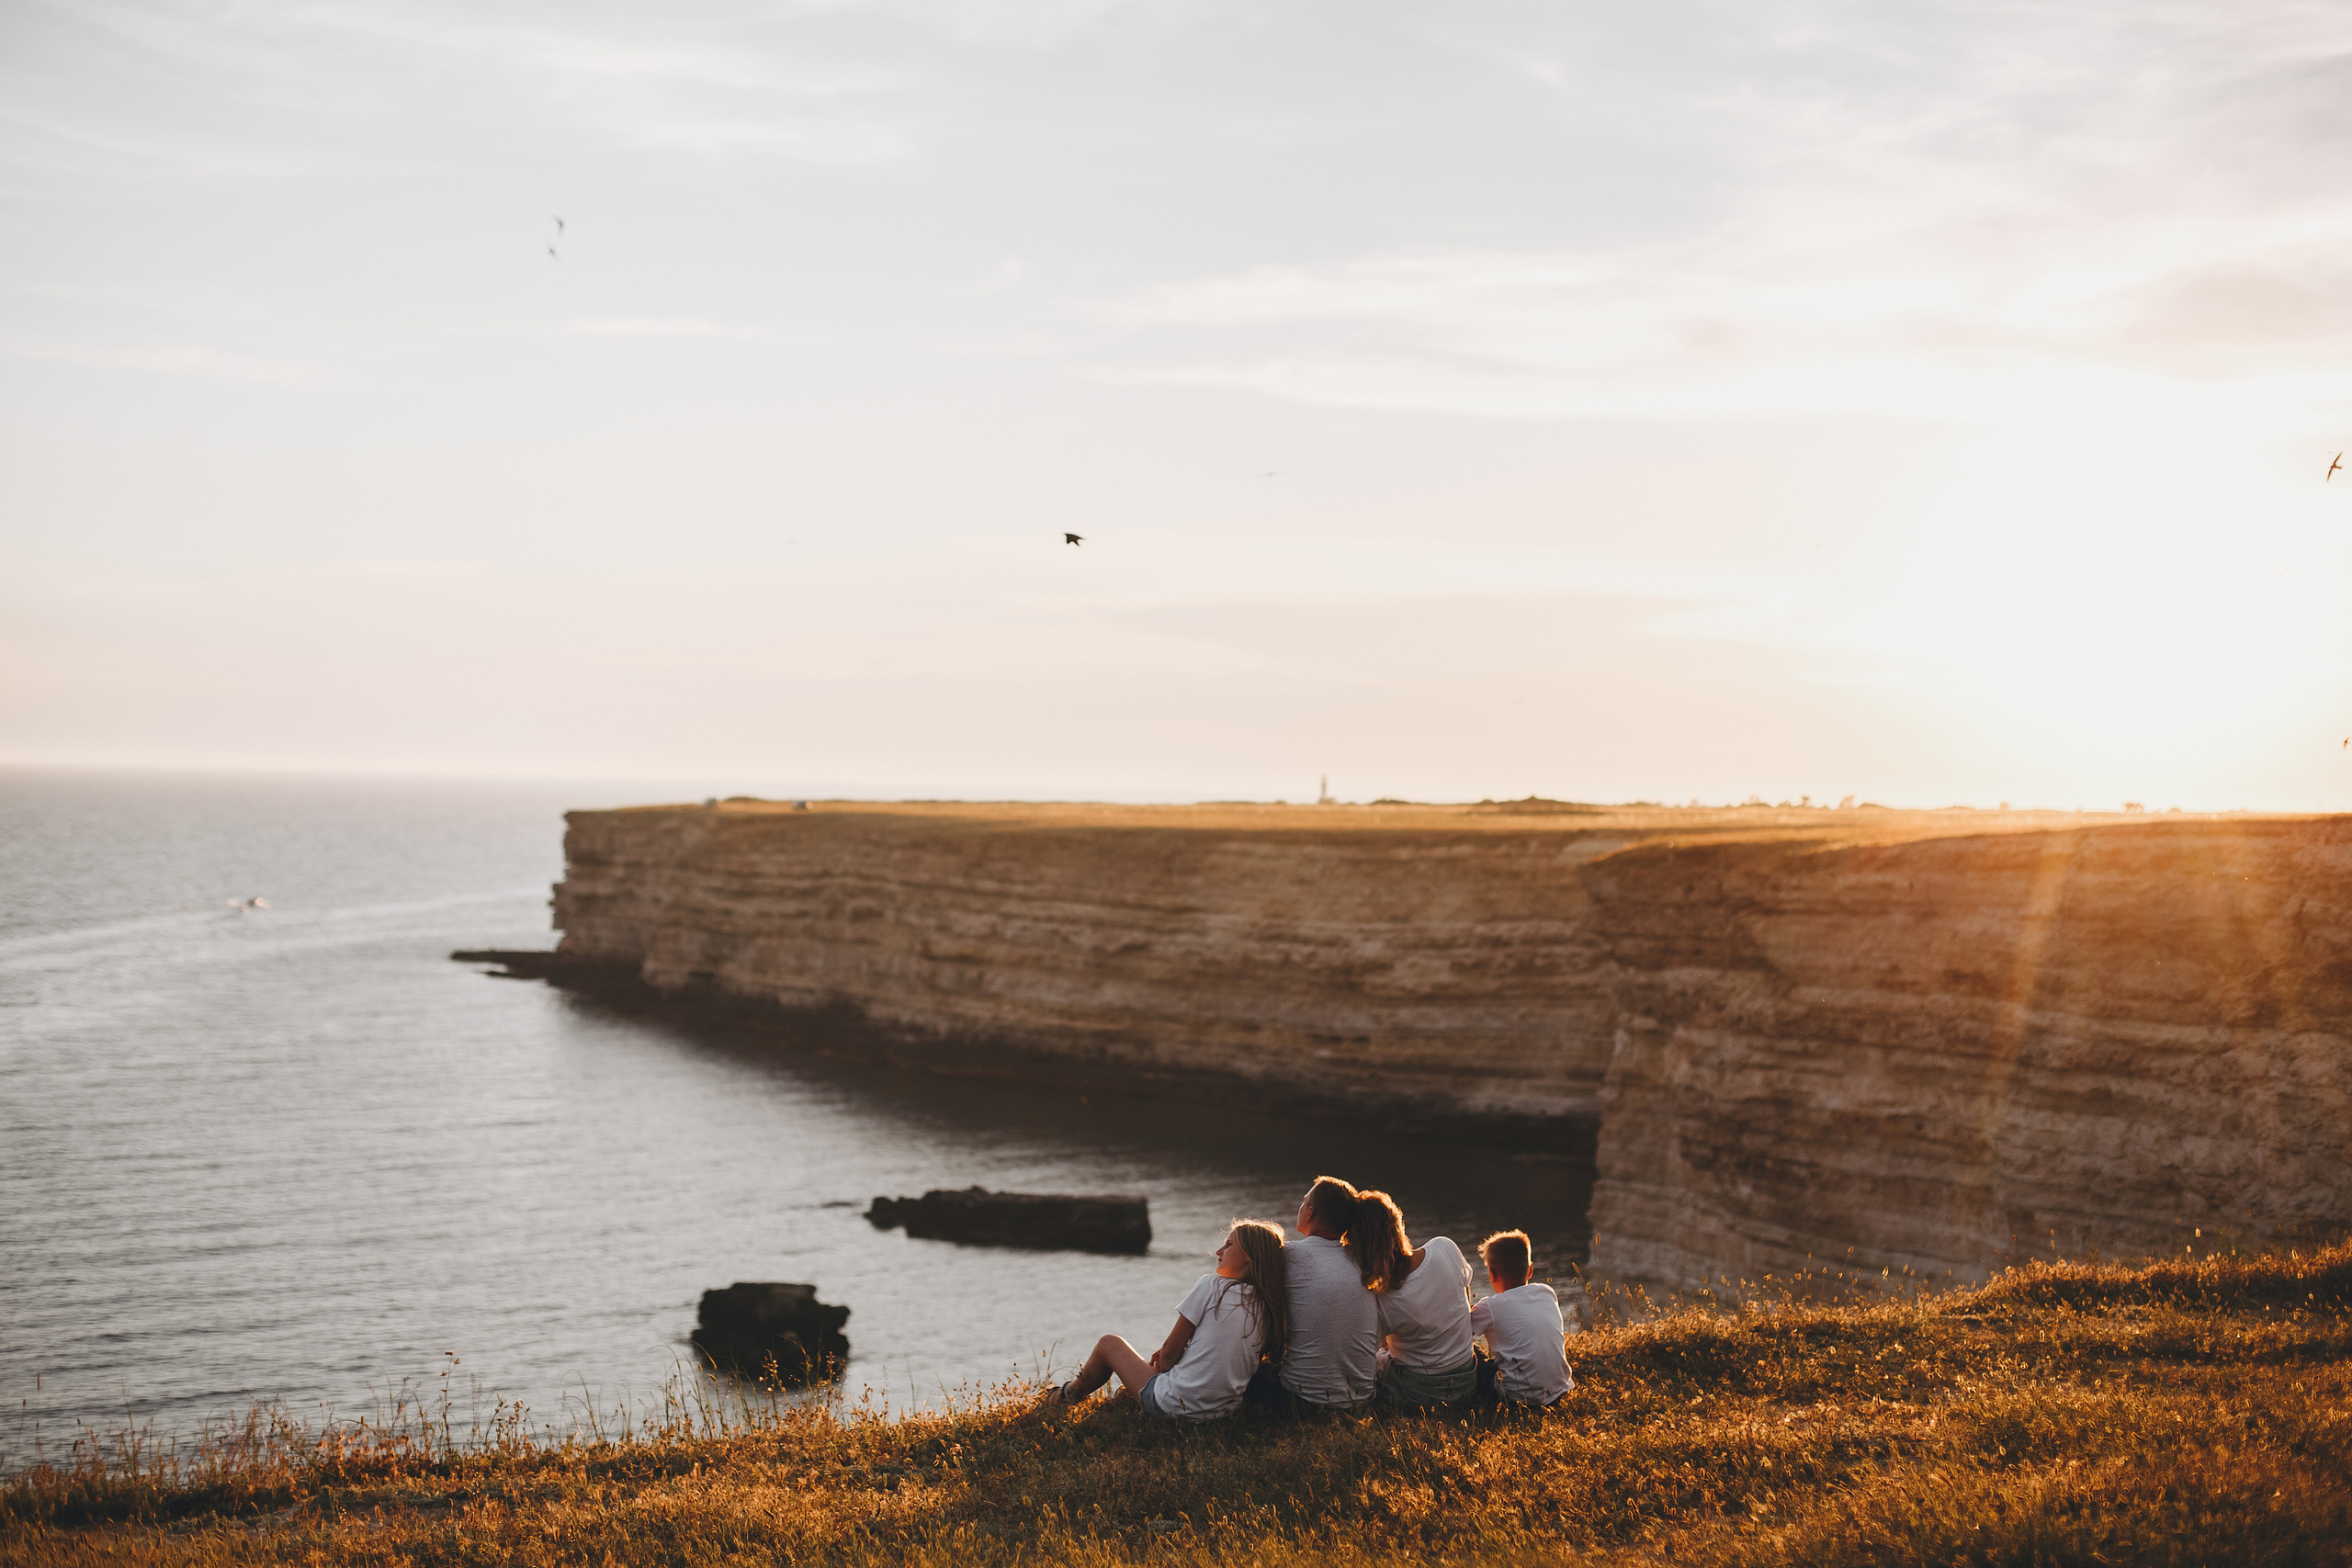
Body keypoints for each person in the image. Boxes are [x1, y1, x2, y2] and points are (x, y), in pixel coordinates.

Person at [1045, 1220, 1287, 1421]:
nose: (1218, 1252)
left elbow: (1170, 1354)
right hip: (1223, 1414)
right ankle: (1127, 1392)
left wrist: (1161, 1373)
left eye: (1228, 1244)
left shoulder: (1211, 1286)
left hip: (1173, 1407)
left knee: (1109, 1343)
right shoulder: (1269, 1306)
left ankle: (1065, 1396)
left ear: (1249, 1257)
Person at [1352, 1190, 1477, 1407]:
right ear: (1397, 1224)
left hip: (1418, 1393)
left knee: (1372, 1363)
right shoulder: (1444, 1247)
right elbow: (1465, 1292)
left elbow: (1369, 1350)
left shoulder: (1382, 1296)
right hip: (1468, 1378)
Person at [1275, 1175, 1382, 1410]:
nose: (1300, 1207)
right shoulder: (1363, 1259)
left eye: (1304, 1202)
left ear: (1310, 1213)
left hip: (1303, 1400)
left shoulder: (1289, 1255)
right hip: (1363, 1397)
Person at [1468, 1229, 1575, 1407]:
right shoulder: (1546, 1292)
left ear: (1493, 1275)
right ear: (1531, 1270)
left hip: (1516, 1398)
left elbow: (1457, 1331)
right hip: (1558, 1392)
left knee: (1470, 1351)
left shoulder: (1490, 1307)